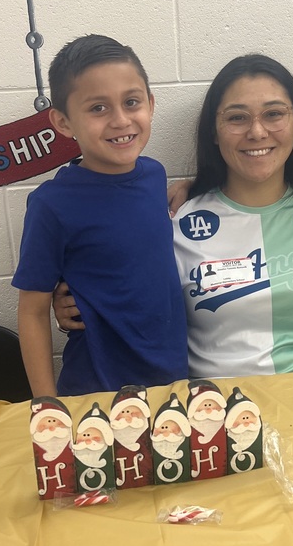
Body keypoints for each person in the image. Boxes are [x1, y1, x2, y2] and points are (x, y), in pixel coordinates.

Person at [56, 54, 293, 377]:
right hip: (214, 412)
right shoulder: (177, 219)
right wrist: (79, 298)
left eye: (274, 114)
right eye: (237, 118)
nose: (257, 131)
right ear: (214, 130)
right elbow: (130, 295)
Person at [12, 34, 187, 397]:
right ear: (63, 122)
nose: (121, 120)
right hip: (97, 391)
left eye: (132, 102)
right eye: (98, 108)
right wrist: (46, 403)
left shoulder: (155, 175)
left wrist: (196, 185)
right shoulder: (52, 204)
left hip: (172, 383)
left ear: (151, 105)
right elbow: (32, 311)